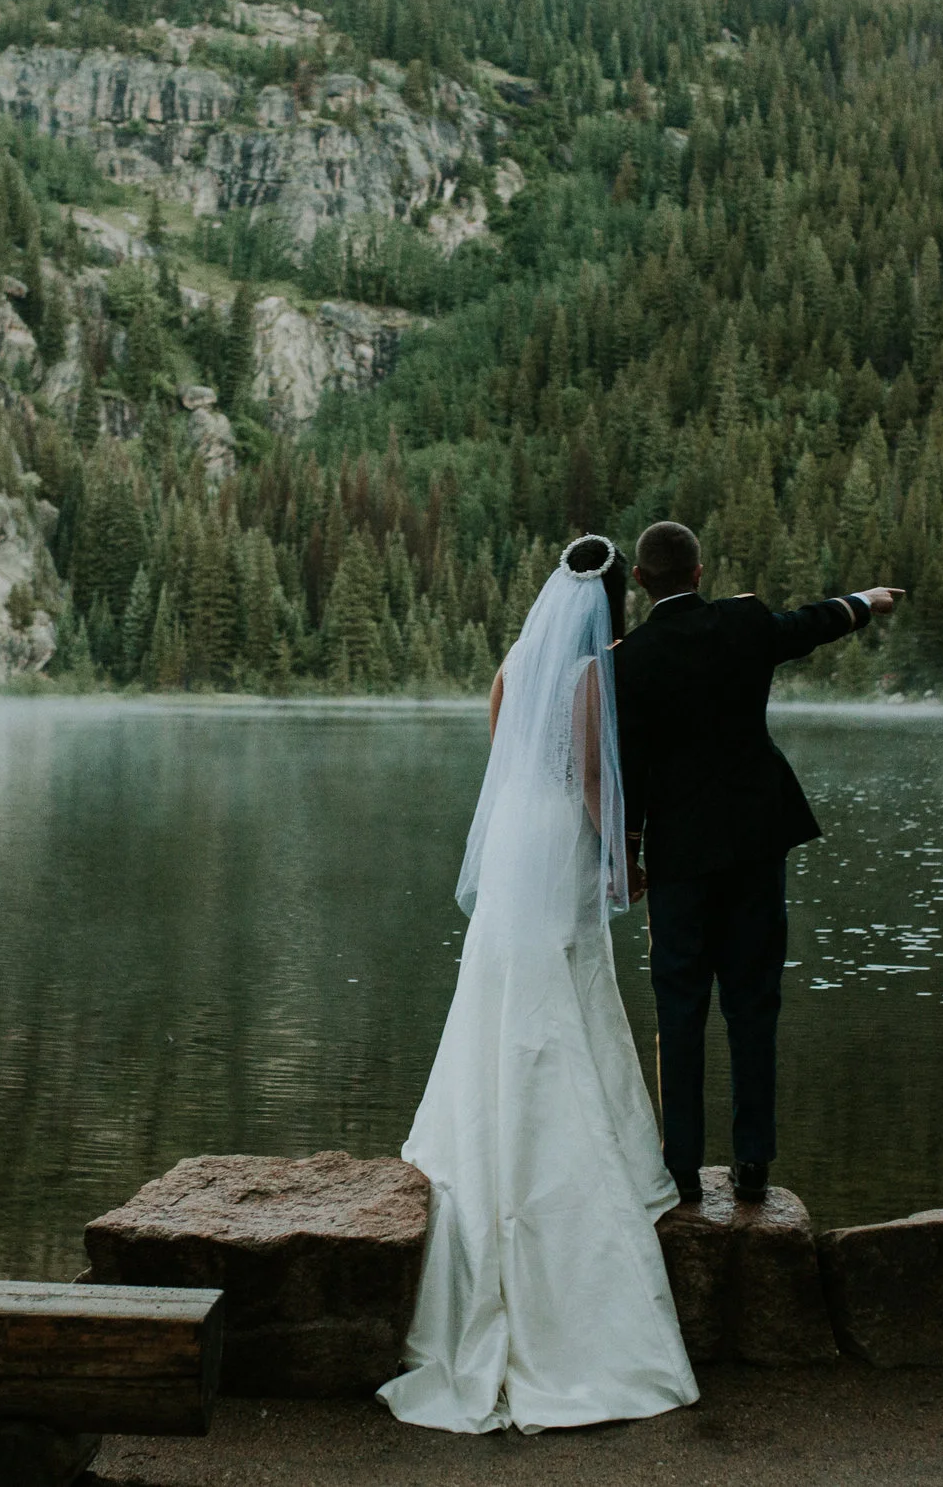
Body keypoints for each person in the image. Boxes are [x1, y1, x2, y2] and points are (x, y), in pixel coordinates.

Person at [379, 535, 699, 1434]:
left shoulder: (514, 664)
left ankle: (489, 1127)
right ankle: (587, 1166)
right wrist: (621, 856)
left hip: (516, 825)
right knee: (565, 978)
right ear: (613, 600)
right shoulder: (594, 671)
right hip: (557, 831)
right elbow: (595, 776)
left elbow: (504, 757)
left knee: (503, 984)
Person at [612, 520, 901, 1205]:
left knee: (679, 1010)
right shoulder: (742, 624)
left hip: (679, 857)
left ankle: (681, 1168)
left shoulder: (629, 660)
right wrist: (866, 600)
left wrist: (626, 849)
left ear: (640, 582)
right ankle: (752, 1164)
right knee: (753, 1003)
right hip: (753, 846)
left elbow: (627, 765)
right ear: (701, 572)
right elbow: (808, 624)